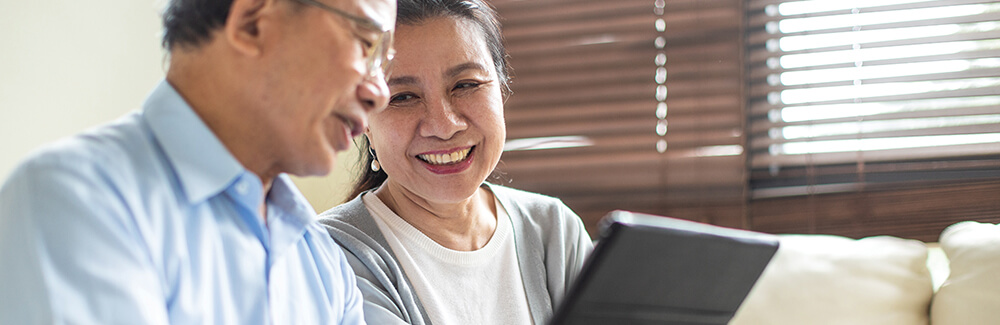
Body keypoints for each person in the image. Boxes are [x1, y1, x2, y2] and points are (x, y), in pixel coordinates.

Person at [0, 0, 395, 323]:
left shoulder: (321, 261)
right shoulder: (76, 201)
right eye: (365, 44)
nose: (380, 93)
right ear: (252, 22)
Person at [318, 0, 594, 324]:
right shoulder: (330, 254)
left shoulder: (555, 231)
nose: (444, 125)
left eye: (465, 85)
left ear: (502, 88)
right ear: (363, 116)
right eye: (403, 97)